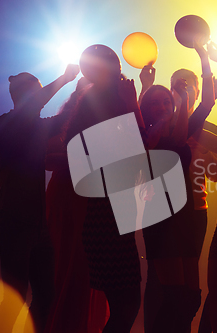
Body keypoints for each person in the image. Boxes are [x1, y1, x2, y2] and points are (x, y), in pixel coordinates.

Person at [63, 44, 145, 333]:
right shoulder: (104, 106)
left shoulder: (94, 104)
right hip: (105, 216)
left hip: (109, 215)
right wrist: (133, 102)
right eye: (116, 67)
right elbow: (140, 148)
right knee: (127, 306)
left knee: (125, 305)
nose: (121, 73)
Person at [0, 64, 79, 333]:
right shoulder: (4, 123)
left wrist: (83, 90)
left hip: (35, 223)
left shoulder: (35, 127)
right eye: (38, 92)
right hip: (14, 221)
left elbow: (68, 116)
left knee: (45, 295)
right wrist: (65, 79)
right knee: (15, 296)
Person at [141, 35, 215, 333]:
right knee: (172, 297)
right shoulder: (140, 132)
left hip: (185, 215)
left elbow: (208, 101)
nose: (161, 105)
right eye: (154, 102)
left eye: (165, 101)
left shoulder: (182, 131)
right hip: (159, 216)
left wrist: (205, 57)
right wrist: (146, 87)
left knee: (190, 297)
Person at [44, 77, 109, 333]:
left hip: (92, 198)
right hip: (65, 198)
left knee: (87, 269)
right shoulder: (64, 121)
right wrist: (81, 159)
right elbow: (46, 159)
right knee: (64, 265)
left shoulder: (105, 122)